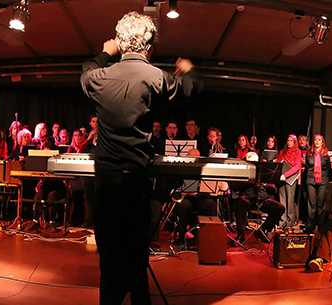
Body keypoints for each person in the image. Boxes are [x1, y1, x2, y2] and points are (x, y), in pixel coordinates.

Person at [79, 11, 200, 304]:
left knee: (109, 261)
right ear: (149, 47)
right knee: (136, 261)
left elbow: (85, 71)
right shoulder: (155, 77)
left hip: (105, 185)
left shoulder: (99, 76)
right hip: (135, 185)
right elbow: (189, 88)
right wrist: (188, 70)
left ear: (120, 43)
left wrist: (106, 53)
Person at [305, 135, 331, 233]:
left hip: (323, 180)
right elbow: (307, 167)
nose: (317, 142)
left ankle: (321, 227)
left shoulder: (326, 154)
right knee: (311, 204)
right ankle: (310, 226)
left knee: (321, 204)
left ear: (322, 142)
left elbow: (329, 168)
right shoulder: (309, 153)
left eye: (319, 140)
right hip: (311, 179)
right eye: (315, 140)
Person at [278, 134, 302, 229]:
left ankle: (290, 221)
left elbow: (297, 166)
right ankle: (282, 220)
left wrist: (286, 175)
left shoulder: (297, 151)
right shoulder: (282, 152)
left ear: (295, 142)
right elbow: (279, 164)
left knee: (290, 200)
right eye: (288, 140)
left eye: (291, 141)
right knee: (282, 200)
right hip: (282, 178)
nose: (289, 142)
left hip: (291, 178)